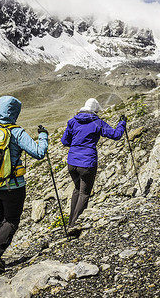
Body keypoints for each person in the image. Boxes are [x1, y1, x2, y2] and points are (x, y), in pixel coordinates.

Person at [0, 95, 48, 273]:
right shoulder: (17, 132)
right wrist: (43, 136)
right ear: (15, 112)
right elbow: (39, 153)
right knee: (11, 220)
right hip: (12, 186)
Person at [61, 98, 126, 236]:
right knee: (84, 193)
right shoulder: (97, 122)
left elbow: (64, 141)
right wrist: (122, 123)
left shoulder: (73, 121)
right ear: (95, 111)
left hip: (72, 163)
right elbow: (116, 135)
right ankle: (74, 226)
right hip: (87, 163)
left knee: (77, 190)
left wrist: (77, 144)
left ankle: (70, 223)